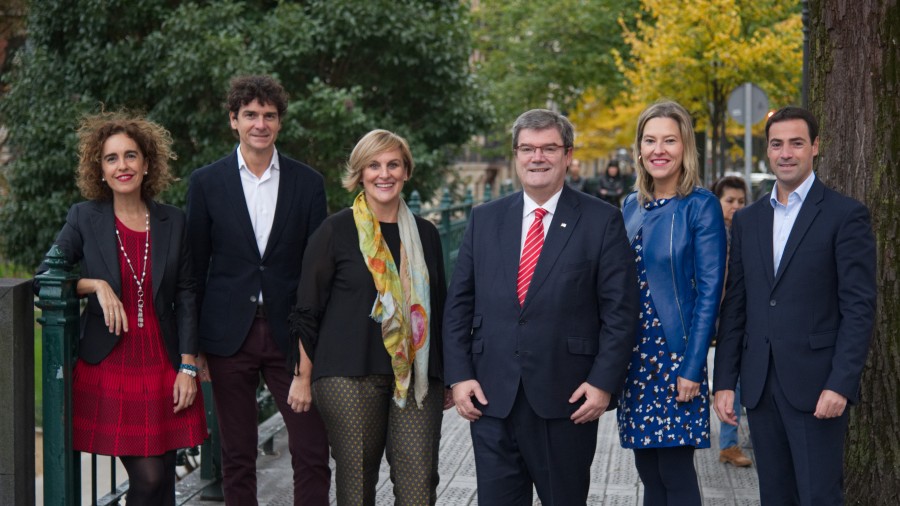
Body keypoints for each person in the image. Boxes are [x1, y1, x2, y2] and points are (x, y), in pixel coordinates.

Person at [443, 108, 638, 505]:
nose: (538, 158)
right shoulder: (484, 219)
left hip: (566, 400)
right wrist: (459, 376)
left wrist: (602, 384)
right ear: (516, 155)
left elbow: (621, 312)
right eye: (528, 149)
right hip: (491, 400)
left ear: (568, 155)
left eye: (549, 148)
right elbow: (458, 303)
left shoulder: (602, 220)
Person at [36, 112, 207, 505]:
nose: (122, 166)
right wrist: (94, 285)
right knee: (147, 478)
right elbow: (46, 274)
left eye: (131, 156)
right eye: (111, 158)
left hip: (164, 364)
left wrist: (187, 364)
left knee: (163, 477)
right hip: (111, 366)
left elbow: (186, 294)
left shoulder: (173, 222)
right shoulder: (83, 218)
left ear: (147, 164)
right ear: (100, 169)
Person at [714, 106, 876, 506]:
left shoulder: (845, 215)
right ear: (767, 151)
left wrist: (840, 383)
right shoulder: (749, 220)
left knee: (819, 496)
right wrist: (723, 382)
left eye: (796, 143)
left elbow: (859, 308)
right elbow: (736, 306)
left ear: (815, 147)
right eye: (777, 144)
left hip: (817, 388)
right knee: (774, 496)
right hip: (760, 387)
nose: (786, 153)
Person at [186, 75, 330, 505]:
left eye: (269, 115)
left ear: (280, 123)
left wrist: (311, 344)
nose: (260, 124)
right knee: (237, 455)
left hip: (291, 336)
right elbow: (193, 270)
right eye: (250, 115)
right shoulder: (207, 183)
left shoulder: (308, 183)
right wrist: (192, 352)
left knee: (310, 451)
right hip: (229, 337)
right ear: (234, 120)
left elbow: (316, 272)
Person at [288, 129, 449, 505]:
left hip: (417, 375)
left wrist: (451, 376)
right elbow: (306, 309)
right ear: (360, 173)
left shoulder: (425, 234)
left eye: (394, 164)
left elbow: (439, 307)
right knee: (357, 485)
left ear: (406, 171)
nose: (384, 173)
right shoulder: (335, 230)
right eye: (373, 165)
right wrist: (302, 376)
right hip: (348, 373)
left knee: (418, 485)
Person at [616, 100, 727, 505]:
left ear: (685, 148)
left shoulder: (701, 205)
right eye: (650, 140)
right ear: (639, 148)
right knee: (649, 473)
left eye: (669, 140)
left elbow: (709, 292)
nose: (658, 149)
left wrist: (693, 366)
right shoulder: (631, 206)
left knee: (675, 472)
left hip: (675, 357)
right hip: (634, 358)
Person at [710, 175, 752, 468]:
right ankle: (728, 443)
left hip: (739, 315)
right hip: (721, 316)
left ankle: (730, 441)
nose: (735, 207)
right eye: (729, 201)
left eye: (740, 201)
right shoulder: (714, 234)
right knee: (729, 379)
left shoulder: (744, 231)